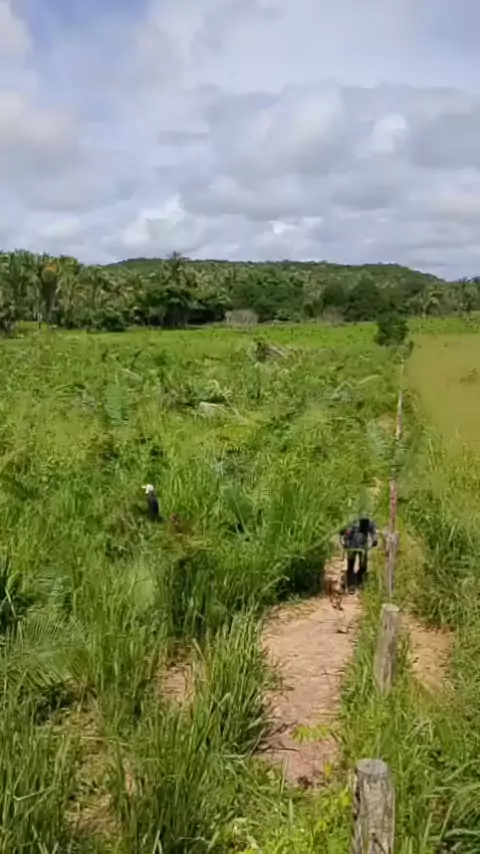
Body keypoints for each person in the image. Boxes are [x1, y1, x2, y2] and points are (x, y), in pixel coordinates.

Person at [339, 516, 378, 591]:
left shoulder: (367, 520)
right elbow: (342, 530)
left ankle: (360, 582)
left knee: (363, 565)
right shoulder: (350, 519)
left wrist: (375, 539)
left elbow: (373, 530)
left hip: (363, 546)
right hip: (351, 545)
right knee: (350, 564)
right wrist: (343, 539)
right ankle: (350, 584)